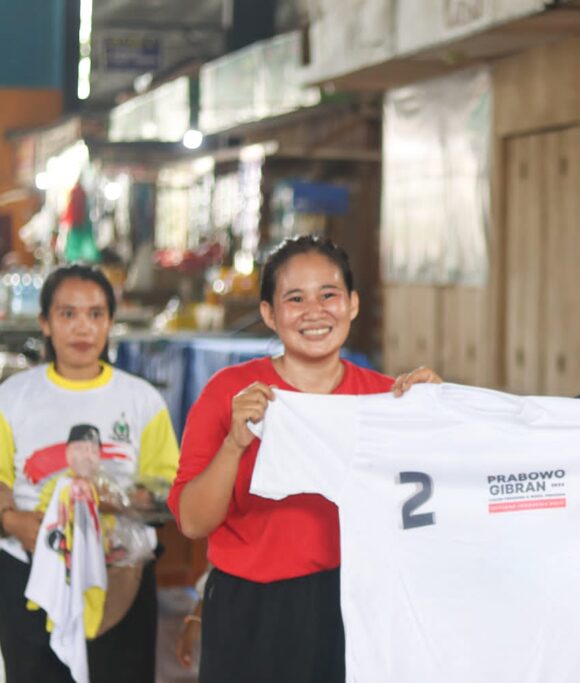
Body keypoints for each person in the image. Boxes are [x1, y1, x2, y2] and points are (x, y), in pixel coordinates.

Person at [168, 235, 437, 683]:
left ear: (352, 304)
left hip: (357, 604)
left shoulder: (387, 400)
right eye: (295, 298)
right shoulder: (230, 394)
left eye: (328, 294)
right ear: (269, 313)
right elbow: (193, 523)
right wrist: (234, 444)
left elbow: (435, 503)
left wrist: (436, 414)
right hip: (251, 610)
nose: (314, 311)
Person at [0, 263, 180, 683]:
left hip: (120, 572)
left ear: (110, 322)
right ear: (45, 322)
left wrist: (118, 500)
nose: (83, 327)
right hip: (29, 570)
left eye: (95, 314)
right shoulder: (13, 396)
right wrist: (10, 521)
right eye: (68, 314)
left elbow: (168, 491)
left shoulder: (141, 400)